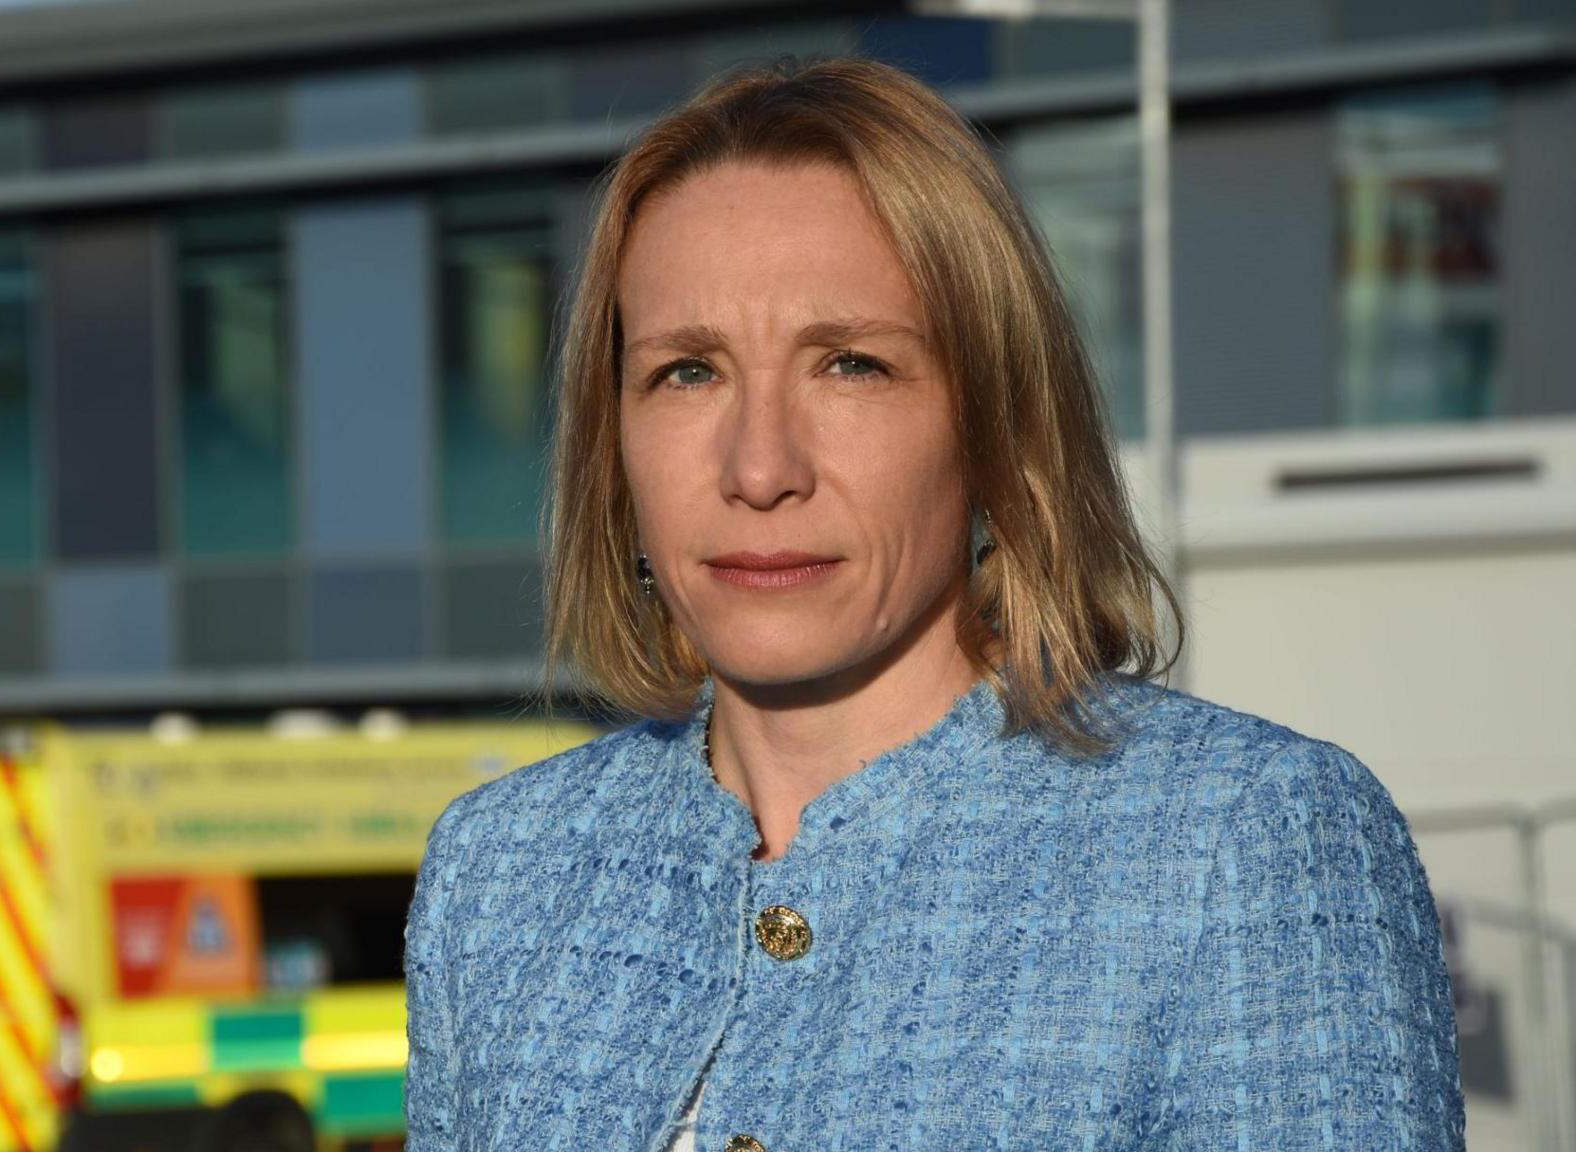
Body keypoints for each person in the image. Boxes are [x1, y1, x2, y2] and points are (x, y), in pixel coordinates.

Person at [403, 55, 1463, 1151]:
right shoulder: (503, 871)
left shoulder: (1241, 839)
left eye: (850, 364)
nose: (758, 468)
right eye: (687, 372)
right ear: (608, 444)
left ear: (994, 427)